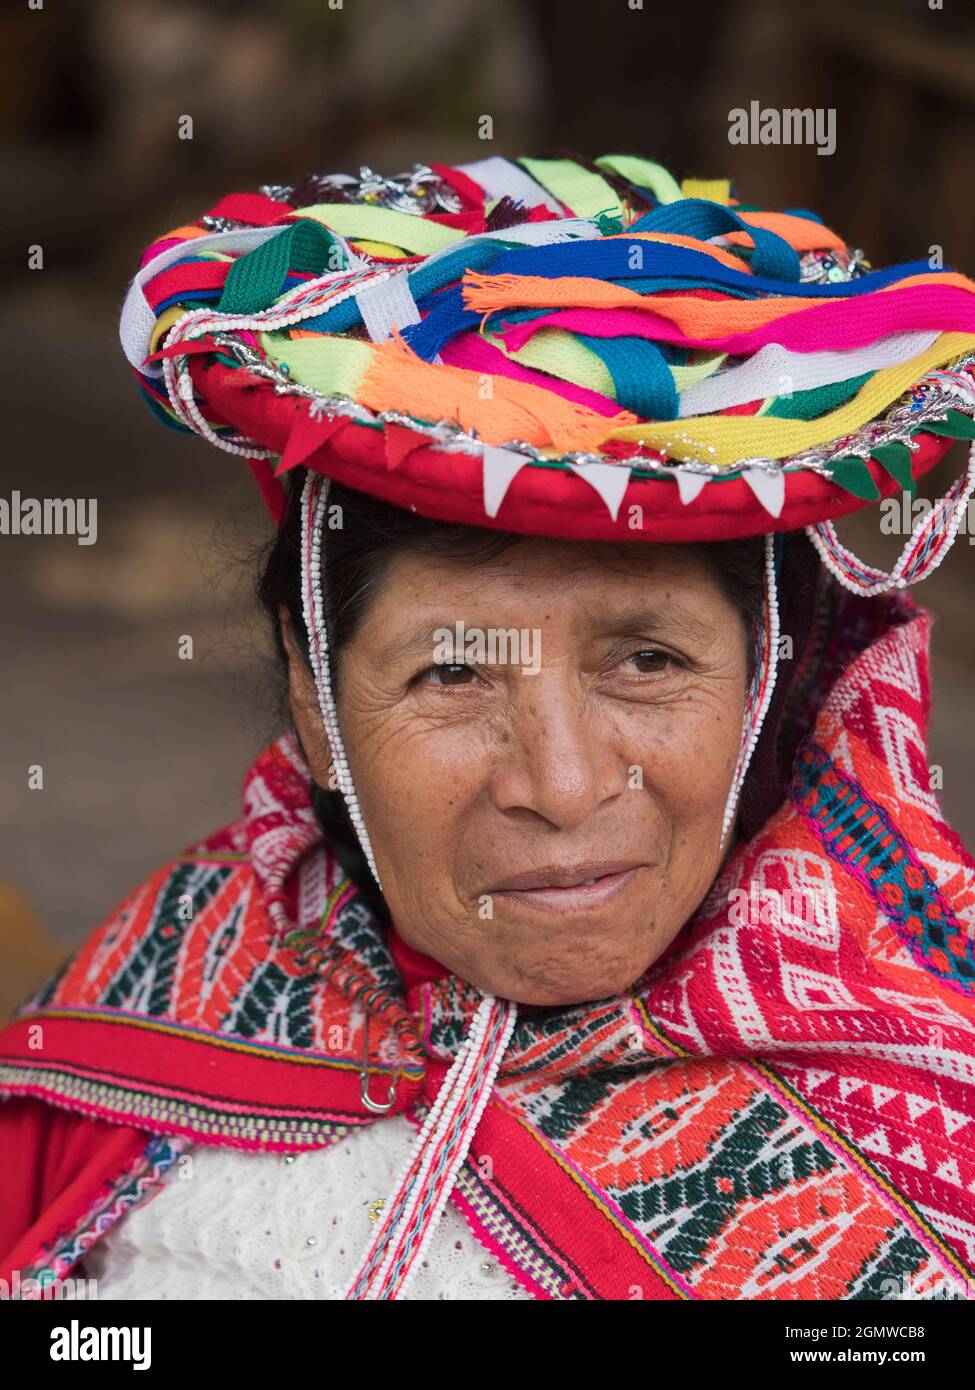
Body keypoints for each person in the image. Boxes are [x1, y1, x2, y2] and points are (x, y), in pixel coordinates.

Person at [2, 152, 975, 1301]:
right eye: (454, 672)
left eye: (649, 661)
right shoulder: (156, 999)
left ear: (766, 684)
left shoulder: (934, 1107)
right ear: (318, 707)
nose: (561, 785)